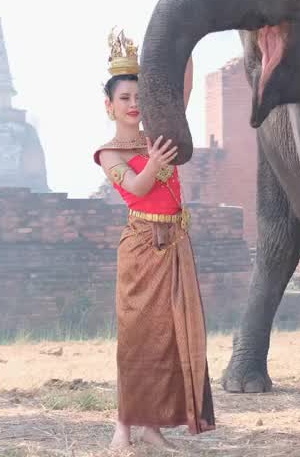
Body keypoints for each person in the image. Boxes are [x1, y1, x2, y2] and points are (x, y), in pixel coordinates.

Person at [94, 29, 214, 449]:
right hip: (143, 246)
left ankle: (153, 425)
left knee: (169, 336)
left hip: (176, 241)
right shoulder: (110, 153)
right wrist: (157, 161)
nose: (133, 104)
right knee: (136, 337)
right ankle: (124, 424)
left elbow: (183, 89)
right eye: (125, 98)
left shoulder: (157, 135)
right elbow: (137, 188)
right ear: (109, 106)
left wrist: (187, 40)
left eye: (139, 97)